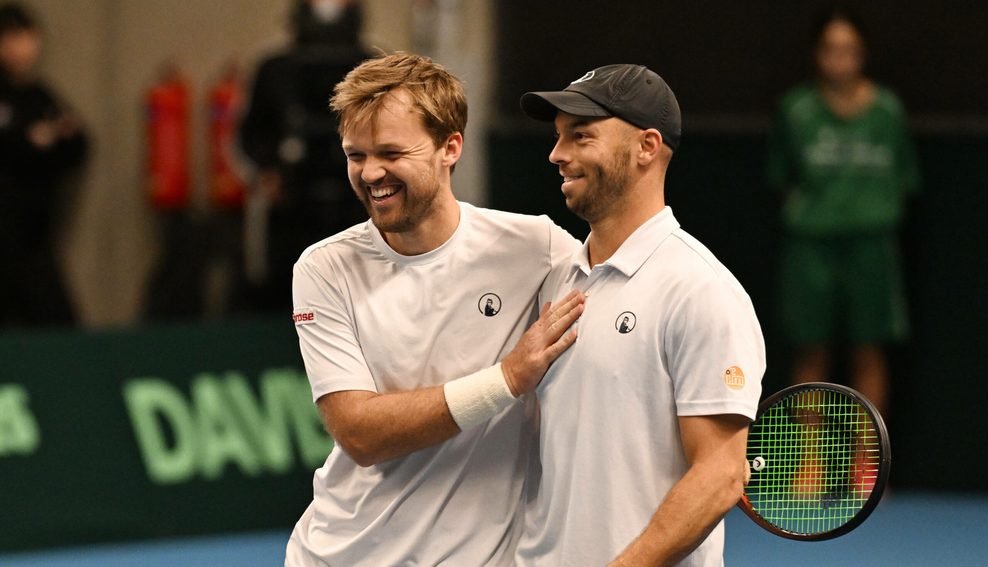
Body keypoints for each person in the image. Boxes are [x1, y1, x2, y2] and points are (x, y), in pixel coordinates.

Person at [286, 52, 585, 566]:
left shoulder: (536, 247)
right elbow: (359, 433)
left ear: (451, 147)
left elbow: (626, 319)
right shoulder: (323, 268)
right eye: (355, 155)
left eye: (390, 152)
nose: (370, 173)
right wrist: (508, 379)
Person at [517, 64, 766, 565]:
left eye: (580, 136)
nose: (557, 154)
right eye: (558, 137)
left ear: (647, 147)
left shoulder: (702, 291)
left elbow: (720, 474)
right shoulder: (556, 278)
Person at [766, 7, 920, 418]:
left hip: (872, 246)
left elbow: (905, 180)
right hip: (810, 247)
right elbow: (780, 179)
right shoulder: (795, 110)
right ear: (817, 54)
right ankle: (809, 467)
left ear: (863, 53)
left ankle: (869, 464)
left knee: (869, 353)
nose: (840, 59)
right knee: (810, 352)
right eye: (831, 49)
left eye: (849, 49)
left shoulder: (887, 111)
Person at [239, 0, 374, 312]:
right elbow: (250, 133)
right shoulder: (274, 71)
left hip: (359, 209)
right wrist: (268, 170)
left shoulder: (373, 67)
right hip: (291, 211)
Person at [0, 2, 87, 329]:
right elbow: (17, 147)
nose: (21, 47)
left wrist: (46, 141)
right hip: (6, 242)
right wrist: (28, 141)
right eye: (10, 38)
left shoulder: (40, 95)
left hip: (37, 239)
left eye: (26, 37)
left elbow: (78, 142)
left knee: (58, 324)